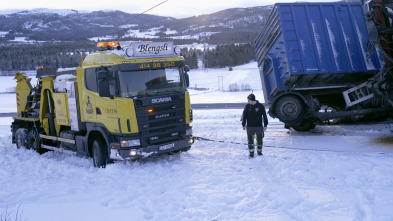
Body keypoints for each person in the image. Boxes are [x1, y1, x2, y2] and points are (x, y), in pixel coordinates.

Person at [242, 93, 268, 158]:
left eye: (248, 100)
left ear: (252, 100)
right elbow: (244, 116)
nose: (247, 101)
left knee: (259, 140)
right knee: (250, 140)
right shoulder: (247, 106)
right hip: (250, 127)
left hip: (259, 126)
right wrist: (243, 124)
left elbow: (264, 116)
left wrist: (265, 125)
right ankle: (251, 153)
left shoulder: (260, 106)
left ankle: (259, 152)